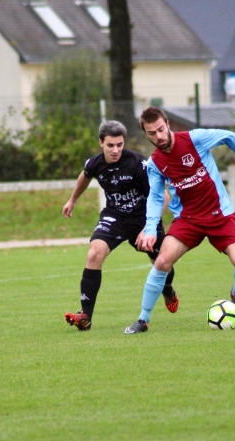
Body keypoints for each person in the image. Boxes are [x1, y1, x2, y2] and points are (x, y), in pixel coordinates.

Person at [124, 107, 235, 334]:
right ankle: (143, 320)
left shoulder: (194, 139)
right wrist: (149, 229)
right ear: (146, 135)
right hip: (188, 220)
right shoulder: (155, 163)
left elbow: (230, 137)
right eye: (152, 133)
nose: (159, 136)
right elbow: (156, 197)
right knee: (162, 262)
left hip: (219, 215)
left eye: (161, 129)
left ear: (167, 124)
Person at [62, 120, 179, 331]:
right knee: (94, 253)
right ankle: (85, 315)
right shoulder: (95, 163)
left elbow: (164, 196)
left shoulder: (138, 164)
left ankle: (167, 289)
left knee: (163, 264)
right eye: (110, 145)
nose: (115, 150)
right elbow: (85, 175)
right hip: (115, 217)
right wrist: (73, 200)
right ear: (101, 143)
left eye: (119, 145)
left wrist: (148, 228)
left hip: (144, 218)